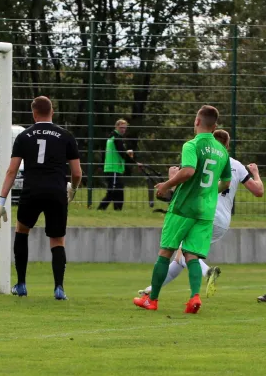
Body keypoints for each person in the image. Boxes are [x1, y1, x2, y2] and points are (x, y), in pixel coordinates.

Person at [138, 129, 263, 298]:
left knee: (185, 255)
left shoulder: (200, 156)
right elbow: (258, 191)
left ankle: (208, 273)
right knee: (181, 257)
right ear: (227, 145)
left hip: (202, 213)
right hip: (223, 221)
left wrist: (172, 179)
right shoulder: (236, 165)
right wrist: (255, 173)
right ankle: (151, 290)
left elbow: (184, 189)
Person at [133, 105, 231, 313]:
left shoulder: (191, 145)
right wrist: (210, 192)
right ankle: (194, 297)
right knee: (191, 255)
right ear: (214, 126)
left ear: (197, 121)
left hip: (183, 207)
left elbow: (188, 171)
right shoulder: (222, 151)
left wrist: (166, 185)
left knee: (166, 252)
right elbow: (226, 182)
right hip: (206, 211)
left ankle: (153, 300)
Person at [0, 96, 82, 300]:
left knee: (22, 230)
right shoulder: (66, 136)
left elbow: (11, 172)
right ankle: (59, 288)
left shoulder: (24, 136)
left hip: (32, 191)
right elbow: (77, 173)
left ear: (34, 113)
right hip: (57, 192)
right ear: (52, 112)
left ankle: (21, 284)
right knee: (57, 239)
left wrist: (1, 201)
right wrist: (73, 189)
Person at [98, 119, 141, 211]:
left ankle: (117, 210)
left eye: (125, 128)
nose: (123, 130)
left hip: (115, 168)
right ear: (116, 127)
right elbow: (121, 153)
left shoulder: (114, 137)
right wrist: (135, 162)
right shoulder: (116, 138)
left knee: (119, 190)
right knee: (112, 192)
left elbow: (119, 152)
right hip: (113, 168)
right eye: (121, 128)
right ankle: (101, 209)